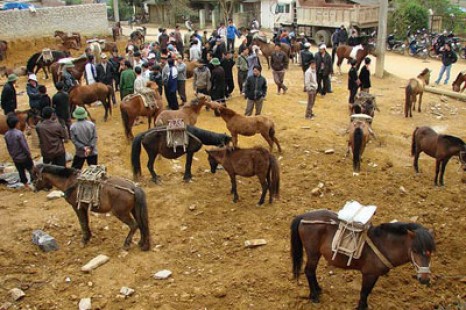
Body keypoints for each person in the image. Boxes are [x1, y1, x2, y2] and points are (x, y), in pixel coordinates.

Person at [4, 114, 34, 188]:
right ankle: (34, 182)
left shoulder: (6, 134)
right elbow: (24, 146)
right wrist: (29, 154)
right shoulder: (19, 134)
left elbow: (8, 146)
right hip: (24, 156)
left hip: (16, 158)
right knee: (31, 169)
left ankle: (25, 184)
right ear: (17, 124)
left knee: (21, 172)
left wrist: (12, 155)